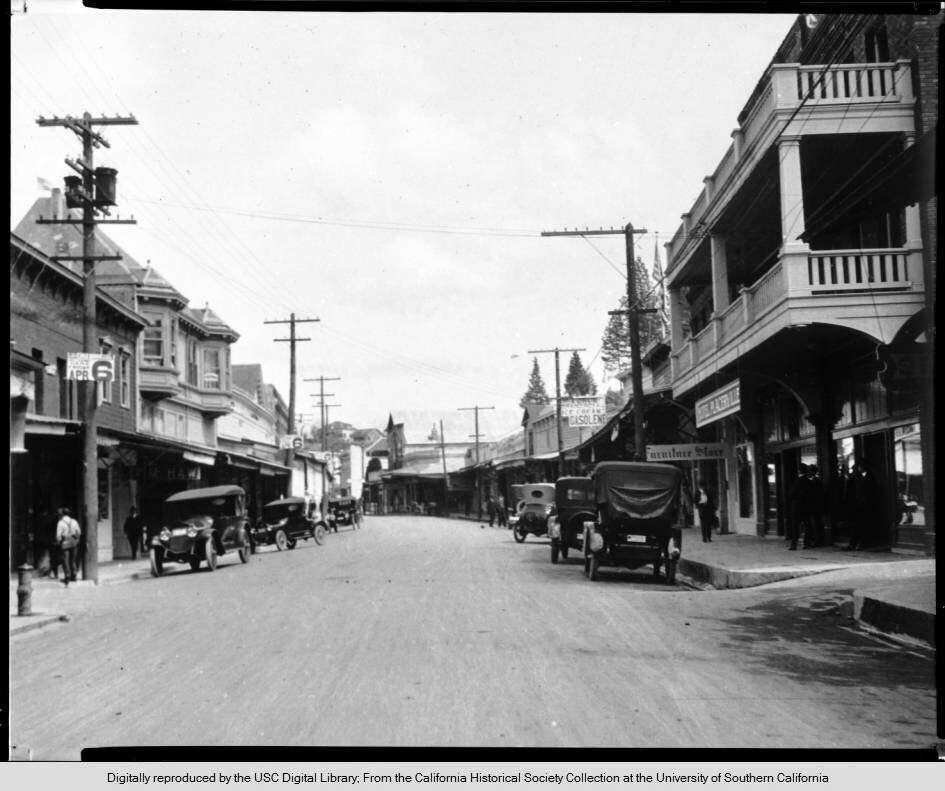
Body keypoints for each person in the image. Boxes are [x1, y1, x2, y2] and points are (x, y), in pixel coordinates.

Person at [56, 507, 81, 585]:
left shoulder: (60, 522)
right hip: (74, 542)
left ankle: (68, 576)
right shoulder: (74, 521)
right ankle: (74, 575)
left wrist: (59, 542)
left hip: (65, 542)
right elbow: (79, 532)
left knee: (65, 560)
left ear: (62, 514)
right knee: (73, 560)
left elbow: (58, 535)